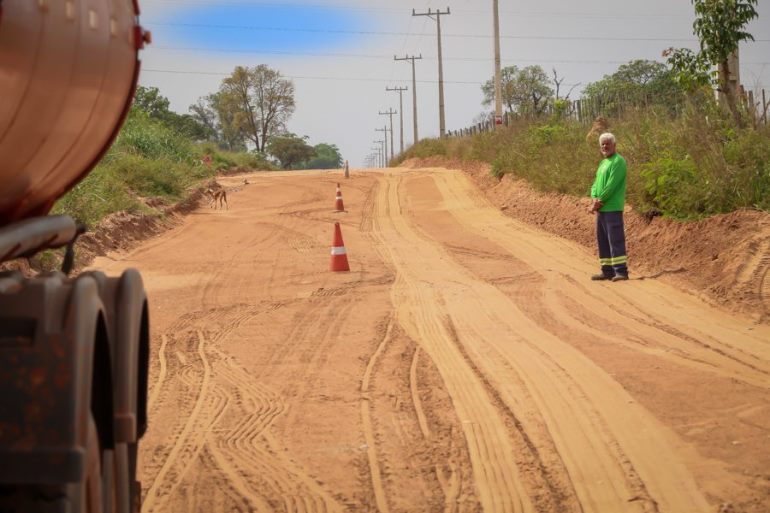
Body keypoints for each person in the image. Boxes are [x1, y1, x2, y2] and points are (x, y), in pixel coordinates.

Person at [589, 132, 628, 282]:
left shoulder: (618, 161)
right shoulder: (603, 163)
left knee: (615, 239)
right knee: (603, 240)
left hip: (612, 207)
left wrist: (598, 202)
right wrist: (594, 198)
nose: (605, 146)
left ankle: (621, 272)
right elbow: (596, 184)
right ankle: (607, 271)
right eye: (603, 144)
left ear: (614, 145)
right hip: (601, 208)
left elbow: (611, 186)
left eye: (608, 143)